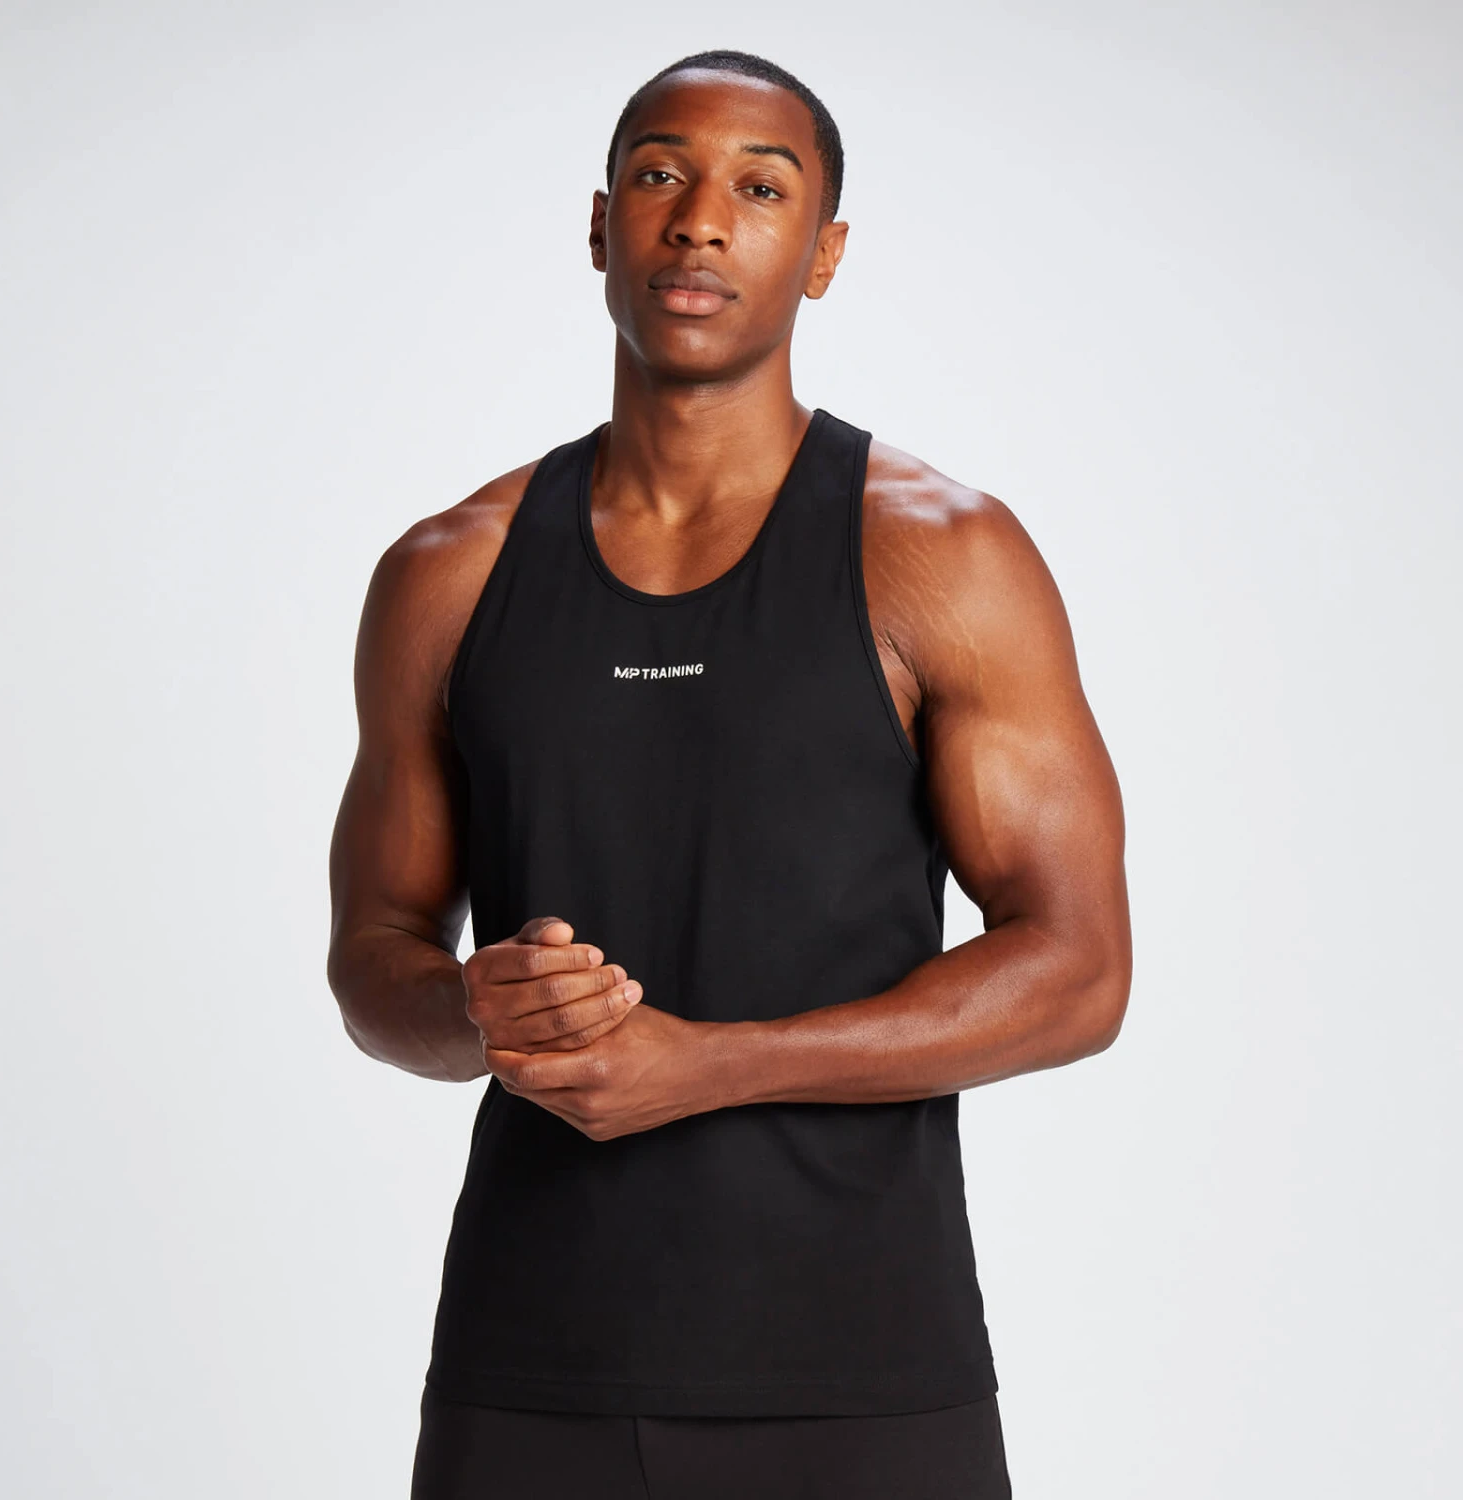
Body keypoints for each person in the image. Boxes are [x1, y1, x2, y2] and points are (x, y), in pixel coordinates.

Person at [326, 47, 1131, 1500]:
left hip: (863, 1375)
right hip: (531, 1368)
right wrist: (474, 1008)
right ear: (600, 228)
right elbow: (374, 959)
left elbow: (1079, 972)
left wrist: (707, 1065)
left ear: (823, 254)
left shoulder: (940, 554)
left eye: (761, 190)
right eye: (660, 176)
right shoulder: (448, 574)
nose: (700, 220)